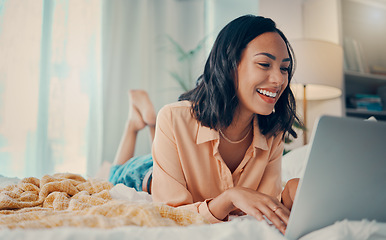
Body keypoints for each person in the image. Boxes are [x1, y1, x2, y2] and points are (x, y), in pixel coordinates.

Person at [109, 15, 301, 234]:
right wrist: (229, 198)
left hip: (174, 161)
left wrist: (292, 192)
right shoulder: (174, 117)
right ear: (230, 65)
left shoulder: (272, 133)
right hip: (145, 175)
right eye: (264, 64)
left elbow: (262, 208)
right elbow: (170, 214)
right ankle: (134, 124)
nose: (279, 79)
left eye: (284, 69)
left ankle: (148, 124)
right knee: (113, 175)